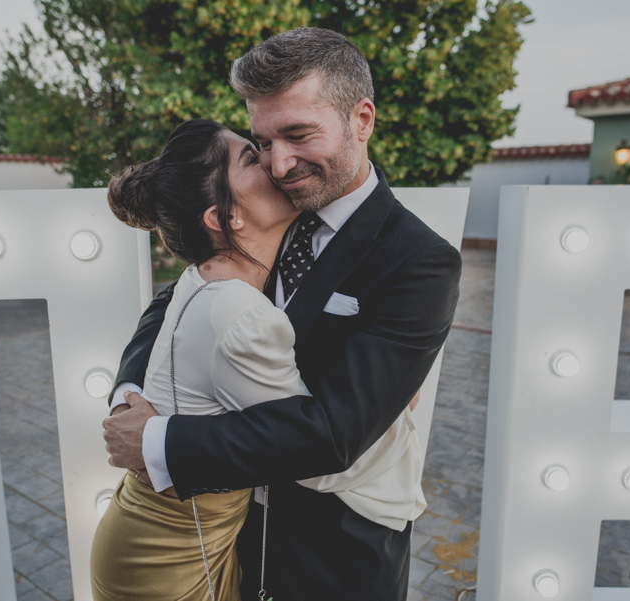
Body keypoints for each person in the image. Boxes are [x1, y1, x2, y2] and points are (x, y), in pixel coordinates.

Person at [103, 27, 462, 601]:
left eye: (298, 135)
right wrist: (130, 394)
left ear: (361, 120)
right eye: (263, 141)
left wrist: (159, 442)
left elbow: (337, 435)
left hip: (335, 559)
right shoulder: (266, 212)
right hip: (231, 548)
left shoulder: (419, 260)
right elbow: (176, 299)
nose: (279, 163)